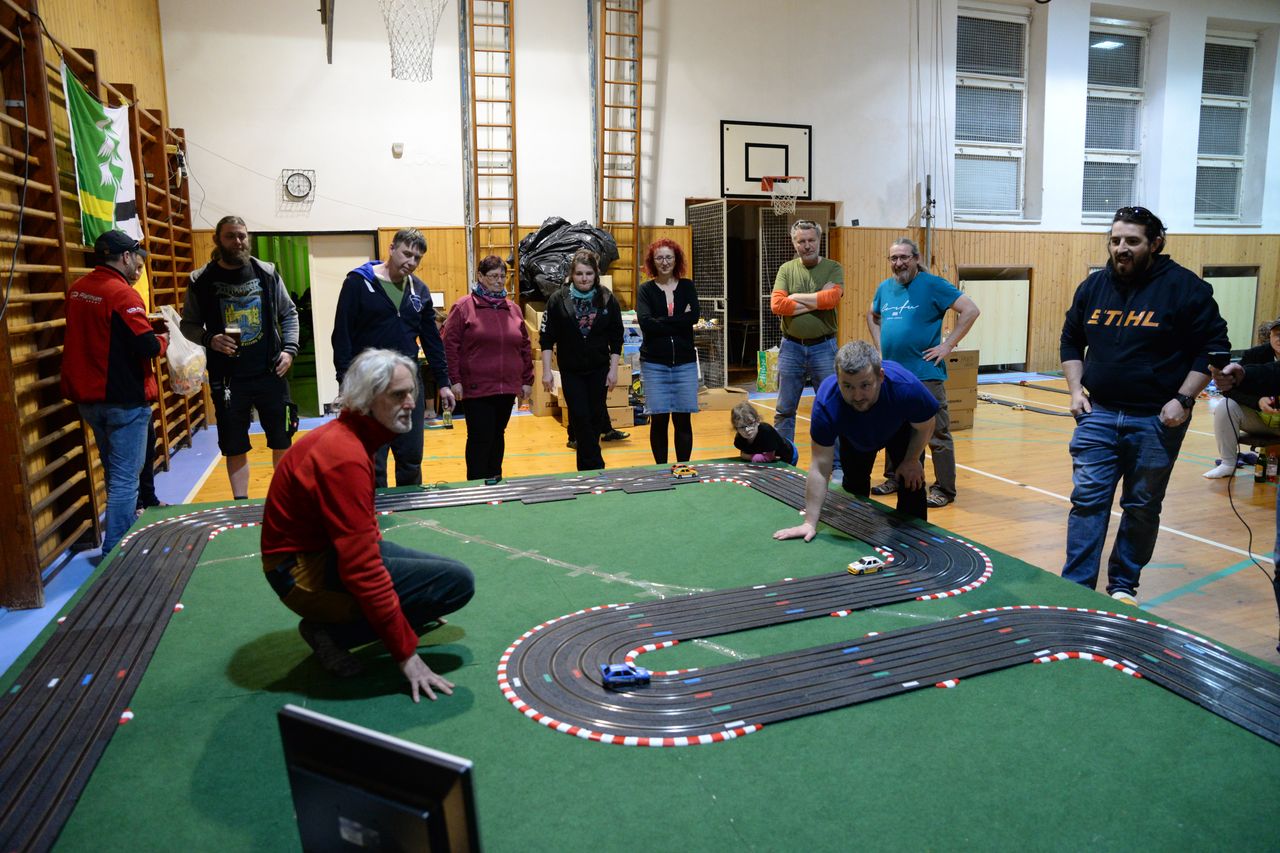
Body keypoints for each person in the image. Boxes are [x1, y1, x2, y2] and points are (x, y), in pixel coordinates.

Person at [260, 349, 475, 702]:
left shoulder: (354, 436)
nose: (411, 403)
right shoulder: (344, 455)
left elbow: (360, 532)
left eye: (411, 392)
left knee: (445, 576)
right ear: (367, 399)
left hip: (317, 553)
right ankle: (330, 633)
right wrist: (406, 654)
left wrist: (413, 602)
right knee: (456, 584)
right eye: (398, 395)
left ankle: (352, 622)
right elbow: (361, 568)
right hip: (299, 573)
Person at [1060, 206, 1230, 607]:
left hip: (1157, 420)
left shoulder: (1185, 288)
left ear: (1155, 244)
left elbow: (1213, 347)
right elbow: (1071, 339)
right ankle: (1075, 587)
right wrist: (1075, 390)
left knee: (1141, 506)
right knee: (1087, 501)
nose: (1121, 248)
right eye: (1116, 240)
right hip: (1098, 414)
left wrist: (1183, 399)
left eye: (1132, 241)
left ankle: (1123, 586)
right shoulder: (1094, 286)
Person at [62, 230, 168, 554]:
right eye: (136, 259)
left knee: (114, 474)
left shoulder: (77, 290)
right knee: (125, 480)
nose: (137, 266)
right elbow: (147, 346)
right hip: (123, 399)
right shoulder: (123, 295)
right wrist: (164, 339)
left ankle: (121, 539)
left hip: (89, 398)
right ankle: (115, 553)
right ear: (125, 257)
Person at [181, 216, 299, 499]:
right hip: (228, 380)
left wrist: (289, 350)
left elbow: (289, 313)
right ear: (217, 240)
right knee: (234, 445)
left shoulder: (267, 273)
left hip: (271, 373)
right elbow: (188, 325)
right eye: (231, 236)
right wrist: (209, 339)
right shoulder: (201, 280)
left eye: (242, 236)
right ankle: (240, 503)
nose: (238, 241)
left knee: (282, 439)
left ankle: (283, 499)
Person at [773, 340, 938, 541]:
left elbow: (926, 424)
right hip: (856, 436)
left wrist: (911, 459)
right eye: (848, 386)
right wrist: (809, 523)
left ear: (880, 376)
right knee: (854, 486)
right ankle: (861, 533)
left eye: (865, 385)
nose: (857, 396)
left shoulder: (905, 387)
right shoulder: (827, 401)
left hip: (900, 429)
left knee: (911, 481)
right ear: (837, 379)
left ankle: (917, 540)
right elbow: (820, 467)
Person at [332, 228, 455, 488]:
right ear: (391, 248)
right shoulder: (357, 283)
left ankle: (411, 509)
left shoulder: (419, 290)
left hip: (408, 386)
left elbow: (432, 341)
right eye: (406, 254)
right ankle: (373, 509)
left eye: (417, 258)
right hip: (370, 385)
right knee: (373, 460)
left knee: (410, 458)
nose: (411, 262)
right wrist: (345, 382)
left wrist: (444, 382)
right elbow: (342, 335)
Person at [866, 237, 980, 507]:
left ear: (916, 259)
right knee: (896, 430)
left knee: (936, 434)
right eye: (894, 258)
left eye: (904, 257)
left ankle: (944, 489)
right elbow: (872, 315)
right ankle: (895, 478)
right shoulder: (885, 288)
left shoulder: (933, 285)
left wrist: (948, 346)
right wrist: (880, 350)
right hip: (892, 375)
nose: (899, 263)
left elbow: (971, 310)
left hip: (925, 374)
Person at [441, 255, 534, 482]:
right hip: (477, 387)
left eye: (503, 276)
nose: (499, 280)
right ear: (480, 277)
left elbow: (524, 346)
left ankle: (494, 481)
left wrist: (527, 380)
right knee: (480, 438)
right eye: (493, 276)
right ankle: (476, 485)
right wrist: (454, 379)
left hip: (507, 387)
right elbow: (449, 345)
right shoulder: (464, 307)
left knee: (498, 435)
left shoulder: (513, 309)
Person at [539, 250, 624, 471]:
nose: (584, 278)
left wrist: (614, 370)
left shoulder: (607, 298)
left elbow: (617, 338)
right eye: (579, 274)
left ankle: (588, 469)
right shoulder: (557, 300)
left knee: (595, 418)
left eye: (588, 273)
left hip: (599, 370)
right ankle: (595, 466)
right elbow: (546, 338)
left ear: (596, 274)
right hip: (571, 371)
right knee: (580, 417)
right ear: (572, 275)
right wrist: (546, 372)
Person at [770, 220, 843, 446]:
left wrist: (794, 297)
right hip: (791, 347)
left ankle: (835, 462)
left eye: (811, 240)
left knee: (831, 407)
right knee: (784, 409)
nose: (807, 245)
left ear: (819, 240)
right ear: (794, 243)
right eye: (801, 241)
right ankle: (783, 459)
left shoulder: (833, 267)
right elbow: (777, 305)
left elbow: (832, 299)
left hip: (824, 347)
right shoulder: (786, 269)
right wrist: (818, 300)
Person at [636, 239, 700, 464]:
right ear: (653, 262)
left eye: (669, 257)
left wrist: (661, 321)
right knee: (659, 420)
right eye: (660, 258)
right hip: (654, 364)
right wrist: (679, 320)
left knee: (683, 420)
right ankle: (661, 471)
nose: (664, 262)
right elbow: (646, 322)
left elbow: (693, 317)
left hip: (685, 364)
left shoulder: (687, 286)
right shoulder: (645, 290)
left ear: (676, 260)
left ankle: (683, 467)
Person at [1203, 318, 1280, 478]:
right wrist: (1257, 402)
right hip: (1259, 419)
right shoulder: (1255, 354)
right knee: (1226, 405)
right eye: (1277, 334)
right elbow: (1230, 390)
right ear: (1270, 336)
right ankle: (1228, 464)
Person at [732, 401, 798, 465]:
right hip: (770, 459)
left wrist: (747, 457)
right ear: (736, 428)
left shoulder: (767, 431)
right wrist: (748, 456)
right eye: (742, 427)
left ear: (757, 421)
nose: (747, 429)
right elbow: (745, 453)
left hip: (788, 454)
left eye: (750, 424)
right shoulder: (739, 439)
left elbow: (768, 457)